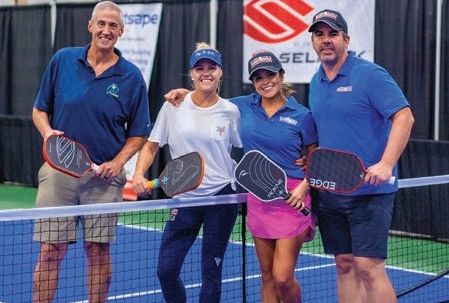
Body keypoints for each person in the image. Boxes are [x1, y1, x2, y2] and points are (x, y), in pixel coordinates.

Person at [165, 51, 318, 303]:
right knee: (267, 275)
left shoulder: (302, 115)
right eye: (258, 77)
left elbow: (315, 156)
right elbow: (208, 99)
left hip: (293, 197)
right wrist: (185, 93)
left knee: (282, 277)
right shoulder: (241, 106)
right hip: (258, 196)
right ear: (253, 82)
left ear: (281, 75)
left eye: (270, 74)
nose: (265, 81)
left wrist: (304, 187)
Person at [31, 2, 150, 302]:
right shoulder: (63, 60)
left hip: (104, 179)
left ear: (121, 32)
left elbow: (138, 134)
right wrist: (48, 133)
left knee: (98, 251)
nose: (106, 31)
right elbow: (39, 110)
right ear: (90, 26)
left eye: (113, 26)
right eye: (101, 24)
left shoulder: (132, 77)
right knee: (49, 251)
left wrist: (118, 162)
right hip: (59, 174)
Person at [307, 9, 415, 303]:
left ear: (346, 39)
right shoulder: (316, 82)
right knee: (344, 265)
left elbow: (404, 117)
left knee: (369, 267)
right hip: (331, 194)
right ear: (313, 41)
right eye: (319, 34)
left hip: (370, 192)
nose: (326, 40)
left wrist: (386, 163)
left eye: (332, 34)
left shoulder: (370, 74)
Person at [132, 42, 242, 303]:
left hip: (221, 199)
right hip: (184, 197)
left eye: (211, 68)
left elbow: (246, 144)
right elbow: (152, 145)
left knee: (211, 271)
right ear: (191, 74)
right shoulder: (173, 107)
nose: (206, 73)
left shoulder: (232, 111)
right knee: (166, 270)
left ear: (221, 73)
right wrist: (138, 174)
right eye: (199, 68)